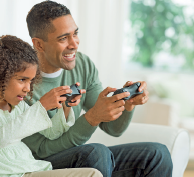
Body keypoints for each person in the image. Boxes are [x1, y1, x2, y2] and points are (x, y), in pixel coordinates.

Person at [23, 1, 173, 177]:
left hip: (80, 158)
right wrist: (91, 118)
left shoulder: (83, 65)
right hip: (38, 163)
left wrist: (127, 104)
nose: (74, 44)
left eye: (75, 34)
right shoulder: (20, 81)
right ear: (39, 45)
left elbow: (113, 129)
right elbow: (41, 151)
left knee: (156, 154)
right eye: (63, 38)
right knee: (95, 153)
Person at [0, 35, 102, 177]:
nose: (28, 88)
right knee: (92, 174)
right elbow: (1, 138)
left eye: (30, 81)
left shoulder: (18, 107)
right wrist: (41, 106)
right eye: (22, 80)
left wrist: (66, 107)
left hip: (26, 168)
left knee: (94, 173)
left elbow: (51, 133)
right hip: (5, 172)